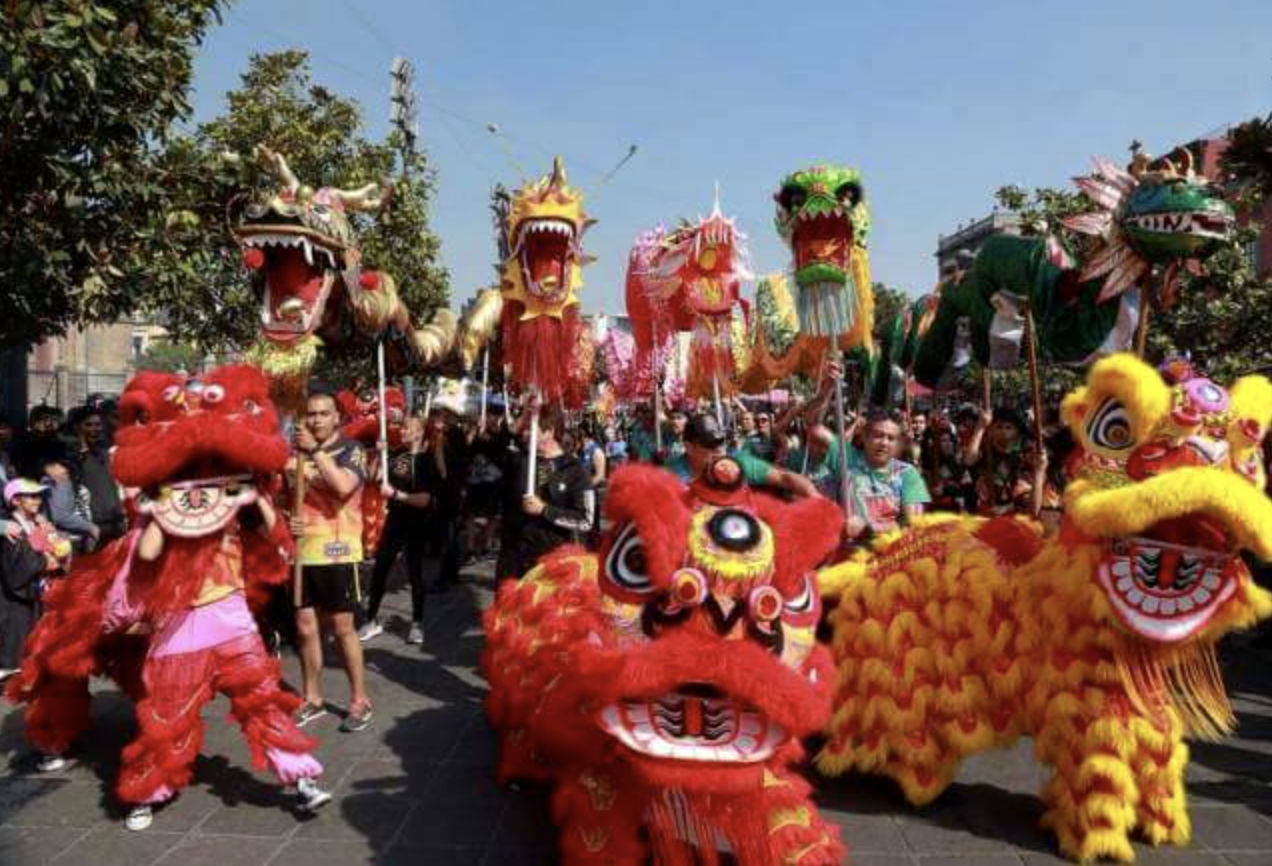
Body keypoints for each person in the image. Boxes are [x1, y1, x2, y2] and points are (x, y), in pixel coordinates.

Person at [289, 388, 373, 732]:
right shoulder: (294, 453)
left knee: (342, 628)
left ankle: (360, 700)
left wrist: (314, 451)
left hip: (339, 552)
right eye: (311, 413)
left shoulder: (352, 450)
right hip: (302, 552)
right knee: (306, 627)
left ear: (337, 417)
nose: (316, 420)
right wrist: (287, 519)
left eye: (324, 413)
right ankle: (312, 697)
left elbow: (342, 486)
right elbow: (284, 497)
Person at [360, 414, 439, 646]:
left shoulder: (427, 461)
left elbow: (424, 500)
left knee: (415, 572)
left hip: (417, 523)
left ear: (420, 432)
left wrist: (395, 494)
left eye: (407, 428)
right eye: (402, 427)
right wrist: (378, 455)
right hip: (394, 520)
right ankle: (371, 619)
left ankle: (417, 623)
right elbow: (373, 478)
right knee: (381, 568)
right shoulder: (396, 454)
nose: (402, 431)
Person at [497, 404, 595, 582]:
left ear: (548, 432)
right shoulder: (518, 461)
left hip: (551, 561)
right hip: (514, 559)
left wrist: (544, 510)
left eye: (530, 429)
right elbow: (494, 443)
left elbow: (585, 520)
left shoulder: (574, 469)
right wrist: (525, 413)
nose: (525, 434)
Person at [665, 413, 822, 499]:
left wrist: (820, 502)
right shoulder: (670, 476)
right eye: (710, 444)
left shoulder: (738, 462)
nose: (719, 450)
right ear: (689, 447)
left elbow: (785, 477)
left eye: (721, 442)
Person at [0, 479, 64, 679]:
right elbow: (15, 569)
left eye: (39, 496)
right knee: (16, 655)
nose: (38, 500)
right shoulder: (10, 528)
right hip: (16, 602)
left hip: (38, 595)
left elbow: (53, 550)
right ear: (16, 501)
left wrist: (55, 544)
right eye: (32, 496)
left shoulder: (38, 522)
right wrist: (44, 562)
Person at [842, 409, 931, 541]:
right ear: (864, 436)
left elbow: (914, 523)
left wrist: (870, 529)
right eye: (878, 436)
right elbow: (816, 430)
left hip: (891, 549)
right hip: (849, 550)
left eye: (891, 438)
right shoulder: (845, 465)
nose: (884, 443)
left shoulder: (908, 473)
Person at [69, 407, 126, 543]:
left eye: (98, 424)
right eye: (88, 425)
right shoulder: (71, 457)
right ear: (77, 427)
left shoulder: (105, 453)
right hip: (91, 526)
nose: (94, 429)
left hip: (116, 522)